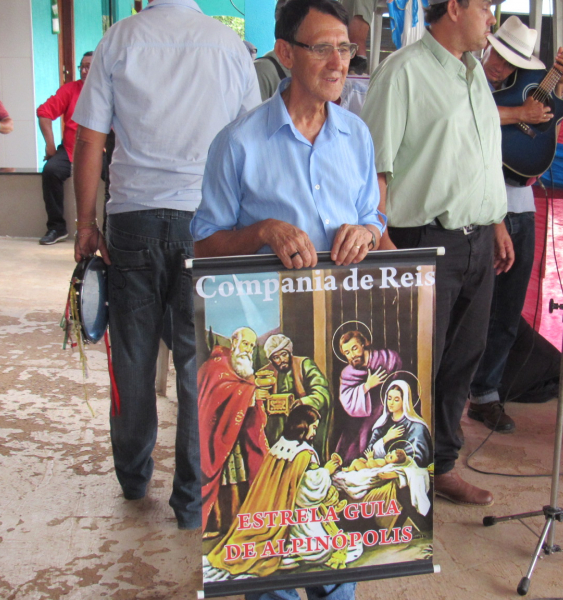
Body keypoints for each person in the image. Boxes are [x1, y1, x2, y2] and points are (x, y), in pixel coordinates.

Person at [192, 0, 380, 596]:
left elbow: (376, 218)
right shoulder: (239, 143)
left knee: (337, 554)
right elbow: (202, 247)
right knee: (272, 555)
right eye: (322, 47)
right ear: (286, 52)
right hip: (270, 318)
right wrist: (261, 232)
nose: (337, 61)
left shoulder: (357, 136)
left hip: (338, 323)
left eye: (345, 48)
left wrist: (369, 231)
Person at [70, 0, 260, 530]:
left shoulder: (119, 40)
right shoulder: (231, 48)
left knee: (131, 356)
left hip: (133, 219)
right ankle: (192, 502)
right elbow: (252, 144)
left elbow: (90, 139)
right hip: (208, 224)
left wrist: (85, 224)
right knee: (199, 364)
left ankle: (133, 480)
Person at [360, 0, 508, 507]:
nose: (492, 17)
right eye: (486, 6)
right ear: (455, 6)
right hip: (422, 240)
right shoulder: (403, 73)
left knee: (462, 359)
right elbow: (375, 165)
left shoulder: (473, 75)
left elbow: (479, 156)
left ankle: (442, 463)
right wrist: (381, 243)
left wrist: (497, 222)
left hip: (477, 241)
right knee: (412, 365)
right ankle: (395, 474)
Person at [467, 16, 563, 432]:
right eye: (498, 54)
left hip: (520, 200)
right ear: (488, 46)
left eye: (512, 62)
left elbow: (545, 115)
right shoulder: (469, 74)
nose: (501, 66)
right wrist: (518, 113)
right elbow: (470, 119)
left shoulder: (530, 79)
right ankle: (450, 393)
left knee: (508, 307)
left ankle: (487, 393)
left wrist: (558, 84)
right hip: (477, 205)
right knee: (470, 306)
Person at [203, 405, 361, 580]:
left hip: (275, 514)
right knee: (322, 549)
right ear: (303, 425)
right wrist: (326, 471)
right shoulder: (303, 453)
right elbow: (305, 494)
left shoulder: (280, 446)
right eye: (313, 427)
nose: (314, 432)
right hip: (294, 520)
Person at [198, 327, 269, 531]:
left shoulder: (245, 369)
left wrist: (253, 398)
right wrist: (250, 395)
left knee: (241, 478)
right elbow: (215, 398)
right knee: (225, 480)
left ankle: (239, 523)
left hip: (238, 436)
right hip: (218, 437)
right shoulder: (215, 366)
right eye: (245, 344)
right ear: (234, 342)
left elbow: (246, 395)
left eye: (252, 346)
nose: (248, 349)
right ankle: (219, 524)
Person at [35, 51, 93, 245]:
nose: (84, 71)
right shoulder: (70, 90)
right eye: (82, 67)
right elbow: (44, 113)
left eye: (89, 67)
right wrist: (50, 147)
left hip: (99, 152)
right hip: (70, 151)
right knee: (50, 171)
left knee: (114, 178)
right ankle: (56, 227)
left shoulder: (110, 89)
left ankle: (108, 230)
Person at [253, 334, 332, 454]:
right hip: (277, 428)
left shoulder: (304, 364)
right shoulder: (265, 373)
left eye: (284, 354)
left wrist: (303, 402)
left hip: (303, 424)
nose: (281, 360)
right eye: (276, 357)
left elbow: (322, 392)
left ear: (289, 352)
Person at [333, 330, 402, 464]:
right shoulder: (348, 374)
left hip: (389, 409)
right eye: (347, 353)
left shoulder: (387, 358)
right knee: (354, 445)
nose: (352, 355)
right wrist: (367, 386)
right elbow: (346, 398)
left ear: (363, 344)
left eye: (354, 348)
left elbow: (401, 379)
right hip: (362, 416)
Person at [366, 380, 431, 468]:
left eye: (396, 400)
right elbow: (369, 452)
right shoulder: (381, 424)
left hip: (404, 474)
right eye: (389, 398)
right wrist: (386, 438)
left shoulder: (417, 427)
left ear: (404, 401)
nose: (391, 403)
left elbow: (419, 458)